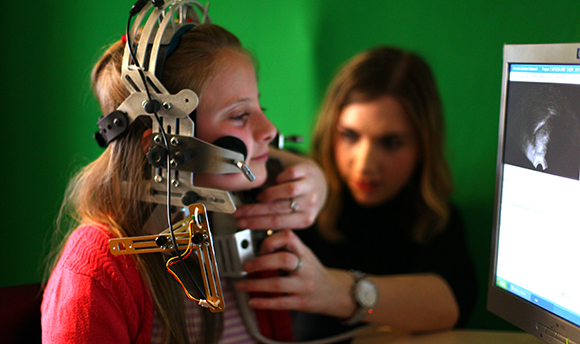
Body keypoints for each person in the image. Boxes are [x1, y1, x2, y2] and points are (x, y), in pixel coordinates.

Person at [41, 19, 327, 344]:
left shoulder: (242, 220)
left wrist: (318, 178)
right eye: (239, 115)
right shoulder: (97, 271)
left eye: (260, 107)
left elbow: (282, 159)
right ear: (163, 147)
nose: (271, 131)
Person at [234, 46, 478, 340]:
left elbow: (448, 304)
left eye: (390, 143)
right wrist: (305, 168)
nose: (364, 164)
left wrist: (335, 290)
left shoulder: (434, 219)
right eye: (349, 135)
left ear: (422, 145)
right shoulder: (295, 189)